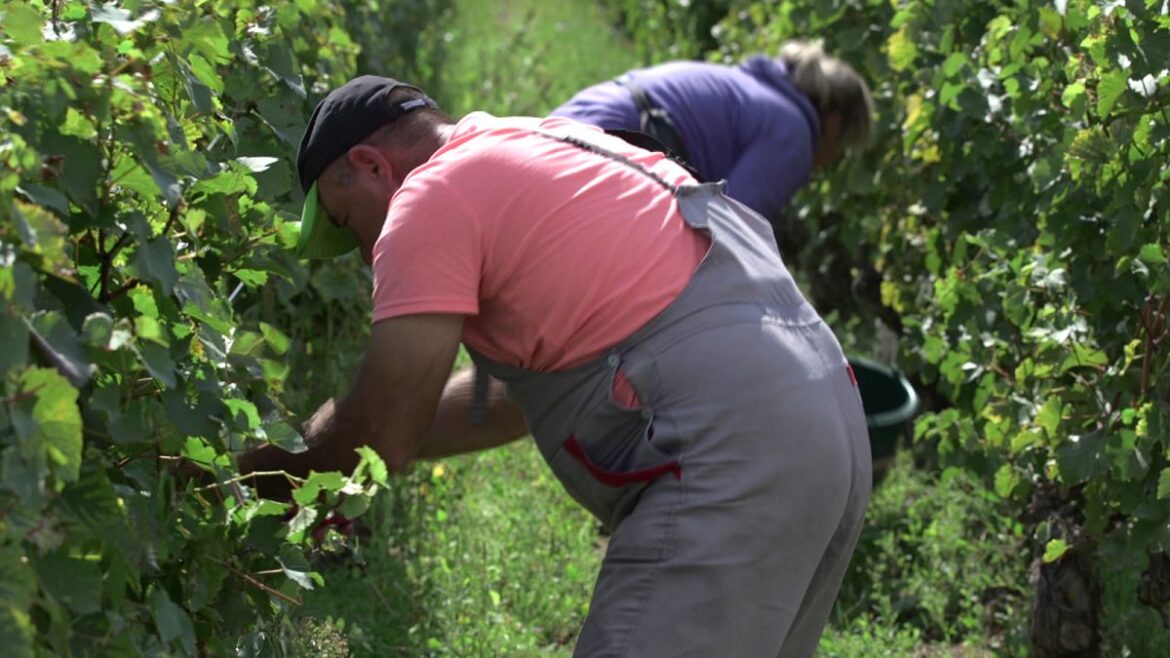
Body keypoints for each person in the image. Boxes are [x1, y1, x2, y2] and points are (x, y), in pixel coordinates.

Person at [240, 75, 872, 657]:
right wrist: (366, 427)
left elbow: (383, 435)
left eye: (350, 225)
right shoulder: (548, 142)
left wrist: (239, 477)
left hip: (737, 450)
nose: (364, 256)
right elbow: (503, 402)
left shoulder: (430, 197)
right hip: (822, 418)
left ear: (370, 165)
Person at [551, 40, 874, 250]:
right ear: (833, 124)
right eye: (842, 149)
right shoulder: (793, 134)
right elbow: (730, 229)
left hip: (578, 119)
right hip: (612, 150)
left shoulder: (747, 86)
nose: (831, 161)